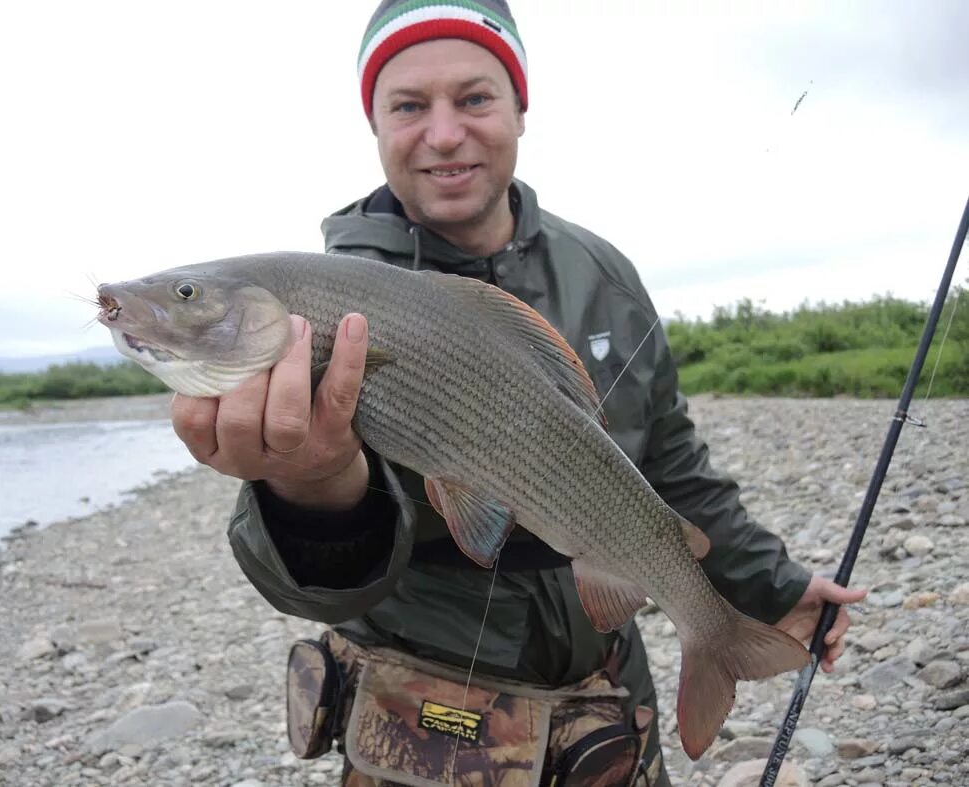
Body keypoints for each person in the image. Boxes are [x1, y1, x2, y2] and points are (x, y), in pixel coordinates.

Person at [171, 1, 867, 784]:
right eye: (408, 105)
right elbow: (304, 585)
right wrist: (308, 486)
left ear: (520, 109)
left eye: (473, 98)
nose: (442, 133)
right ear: (373, 123)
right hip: (424, 725)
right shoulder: (311, 312)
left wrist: (772, 585)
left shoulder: (603, 272)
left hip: (608, 709)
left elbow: (669, 461)